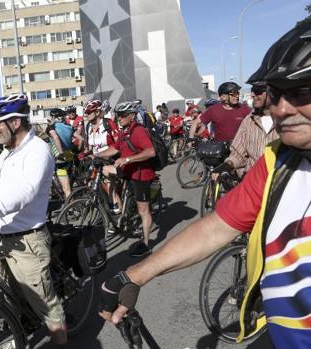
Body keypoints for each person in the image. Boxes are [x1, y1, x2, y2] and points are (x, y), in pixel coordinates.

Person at [98, 21, 311, 348]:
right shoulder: (279, 160)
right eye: (277, 93)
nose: (279, 109)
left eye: (302, 92)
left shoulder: (254, 123)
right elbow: (215, 228)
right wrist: (133, 276)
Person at [0, 93, 67, 344]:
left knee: (47, 307)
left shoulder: (37, 150)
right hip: (1, 238)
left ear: (15, 122)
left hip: (27, 242)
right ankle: (22, 332)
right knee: (12, 297)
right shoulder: (6, 152)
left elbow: (25, 192)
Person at [95, 101, 156, 257]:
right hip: (128, 172)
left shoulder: (138, 131)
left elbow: (150, 152)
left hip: (141, 174)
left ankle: (146, 243)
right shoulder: (124, 131)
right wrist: (95, 155)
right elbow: (114, 148)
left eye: (122, 115)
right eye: (117, 115)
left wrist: (127, 160)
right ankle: (120, 208)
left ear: (132, 115)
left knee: (143, 210)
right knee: (104, 170)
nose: (119, 118)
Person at [214, 79, 279, 179]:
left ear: (273, 92)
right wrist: (227, 165)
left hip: (279, 182)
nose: (252, 94)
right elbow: (238, 153)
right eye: (252, 90)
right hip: (252, 181)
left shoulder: (286, 120)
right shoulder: (248, 120)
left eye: (258, 91)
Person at [46, 108, 74, 198]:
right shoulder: (69, 127)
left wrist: (61, 153)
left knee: (66, 189)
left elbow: (55, 137)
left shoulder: (51, 128)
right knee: (69, 183)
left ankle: (72, 208)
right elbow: (79, 139)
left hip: (60, 158)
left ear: (54, 117)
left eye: (51, 116)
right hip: (69, 155)